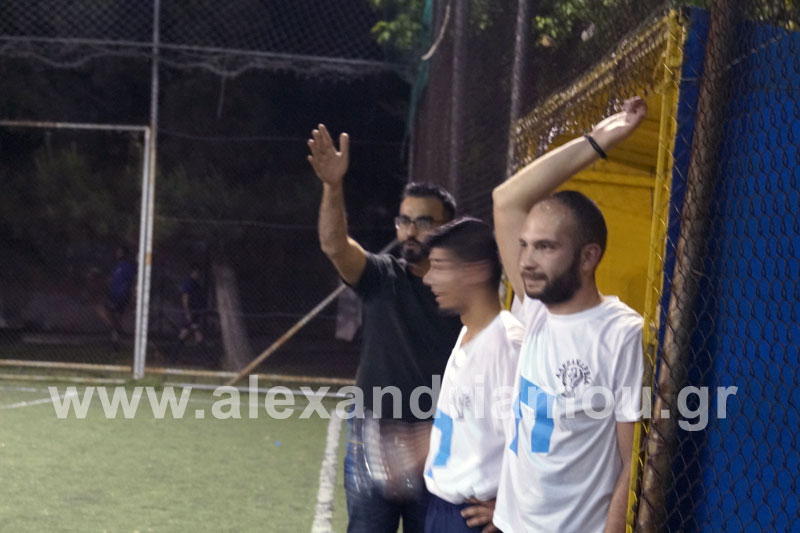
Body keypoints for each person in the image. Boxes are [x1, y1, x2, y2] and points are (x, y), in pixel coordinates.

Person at [491, 97, 648, 532]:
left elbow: (632, 462)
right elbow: (506, 200)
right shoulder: (536, 309)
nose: (526, 261)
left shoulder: (621, 333)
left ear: (588, 257)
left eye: (545, 247)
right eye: (524, 245)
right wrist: (596, 141)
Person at [307, 124, 463, 533]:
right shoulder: (382, 276)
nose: (409, 231)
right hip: (372, 436)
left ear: (449, 228)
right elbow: (335, 245)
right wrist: (333, 186)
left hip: (437, 442)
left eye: (423, 222)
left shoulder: (468, 296)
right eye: (404, 220)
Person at [421, 218, 523, 533]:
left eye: (439, 266)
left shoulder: (507, 344)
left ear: (477, 271)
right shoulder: (469, 330)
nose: (428, 278)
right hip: (443, 507)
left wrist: (509, 508)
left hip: (471, 516)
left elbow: (530, 441)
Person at [169, 263, 206, 363]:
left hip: (194, 313)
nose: (198, 274)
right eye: (197, 272)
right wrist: (187, 312)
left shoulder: (195, 283)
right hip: (190, 313)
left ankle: (173, 357)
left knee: (184, 333)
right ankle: (207, 358)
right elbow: (185, 298)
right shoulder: (189, 283)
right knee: (196, 333)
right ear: (193, 272)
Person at [105, 244, 137, 350]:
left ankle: (116, 339)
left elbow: (133, 279)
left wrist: (132, 294)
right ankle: (115, 338)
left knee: (116, 316)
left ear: (123, 253)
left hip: (120, 295)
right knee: (111, 315)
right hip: (112, 294)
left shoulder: (127, 266)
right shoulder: (116, 265)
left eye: (119, 251)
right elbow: (112, 278)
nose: (117, 253)